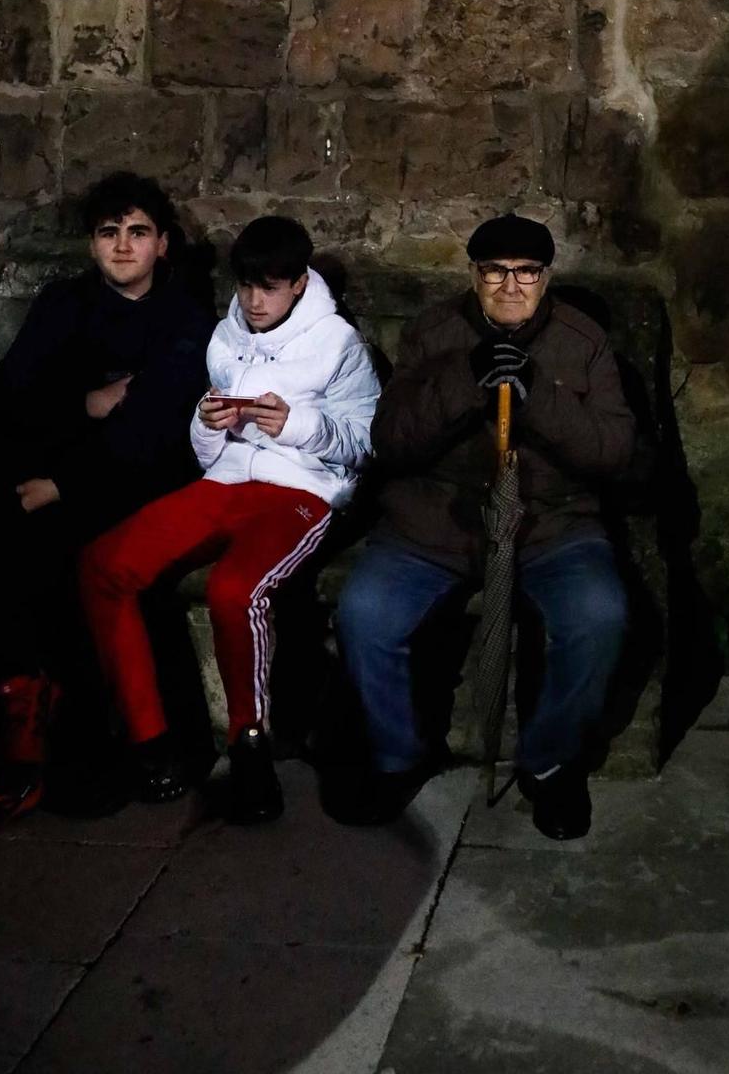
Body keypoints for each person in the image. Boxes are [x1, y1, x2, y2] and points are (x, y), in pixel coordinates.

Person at [0, 172, 212, 859]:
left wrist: (62, 478)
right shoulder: (65, 303)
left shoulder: (184, 320)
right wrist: (86, 402)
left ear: (161, 244)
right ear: (91, 242)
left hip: (126, 485)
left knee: (30, 547)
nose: (122, 245)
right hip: (45, 468)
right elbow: (7, 401)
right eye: (109, 232)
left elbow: (153, 433)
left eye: (137, 232)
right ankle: (22, 727)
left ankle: (39, 752)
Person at [334, 214, 638, 841]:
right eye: (495, 271)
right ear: (473, 276)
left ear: (545, 278)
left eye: (526, 272)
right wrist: (463, 380)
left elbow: (612, 451)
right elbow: (391, 441)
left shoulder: (583, 344)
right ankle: (397, 756)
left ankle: (550, 763)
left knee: (599, 615)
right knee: (365, 612)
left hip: (549, 525)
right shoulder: (433, 333)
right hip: (435, 523)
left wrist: (538, 396)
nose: (510, 286)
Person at [80, 215, 377, 826]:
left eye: (269, 287)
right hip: (224, 482)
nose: (254, 301)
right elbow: (209, 452)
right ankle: (151, 741)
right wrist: (206, 423)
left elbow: (365, 444)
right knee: (104, 564)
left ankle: (250, 747)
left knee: (234, 590)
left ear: (298, 283)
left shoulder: (338, 343)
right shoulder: (225, 336)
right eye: (245, 286)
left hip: (301, 492)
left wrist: (294, 424)